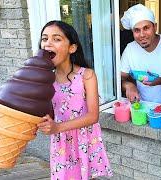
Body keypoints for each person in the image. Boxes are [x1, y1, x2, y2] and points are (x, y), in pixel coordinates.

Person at [37, 20, 113, 179]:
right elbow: (48, 112)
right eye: (44, 39)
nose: (48, 43)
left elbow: (93, 116)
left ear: (72, 47)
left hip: (84, 139)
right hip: (61, 142)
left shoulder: (87, 75)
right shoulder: (46, 78)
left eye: (56, 39)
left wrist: (57, 127)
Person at [120, 4, 161, 104]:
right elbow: (120, 78)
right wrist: (129, 85)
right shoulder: (130, 49)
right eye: (137, 30)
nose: (142, 35)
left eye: (146, 28)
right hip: (142, 107)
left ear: (155, 27)